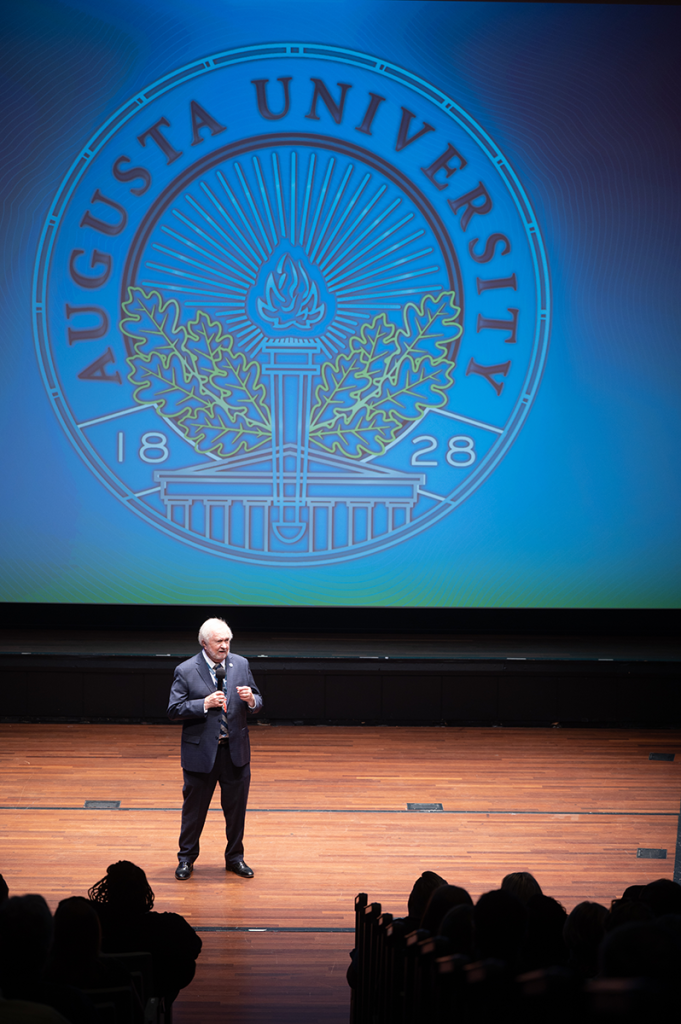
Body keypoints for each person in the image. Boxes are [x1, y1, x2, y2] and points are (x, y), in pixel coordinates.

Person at [167, 617, 263, 880]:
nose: (224, 646)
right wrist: (203, 704)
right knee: (193, 813)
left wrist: (251, 699)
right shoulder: (186, 670)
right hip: (201, 754)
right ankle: (186, 859)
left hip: (235, 753)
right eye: (219, 641)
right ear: (204, 643)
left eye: (228, 640)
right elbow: (173, 710)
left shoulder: (241, 664)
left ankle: (235, 858)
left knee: (236, 813)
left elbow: (258, 699)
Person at [89, 861, 201, 1004]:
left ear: (108, 890)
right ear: (144, 891)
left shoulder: (95, 922)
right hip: (156, 988)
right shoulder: (170, 925)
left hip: (105, 990)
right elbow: (194, 948)